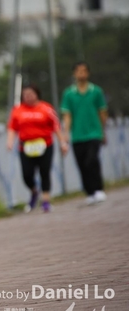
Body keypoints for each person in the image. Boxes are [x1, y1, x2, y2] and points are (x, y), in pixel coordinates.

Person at [7, 84, 68, 213]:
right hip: (26, 147)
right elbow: (12, 127)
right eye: (25, 95)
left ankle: (45, 201)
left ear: (37, 94)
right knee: (27, 175)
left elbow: (56, 126)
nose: (28, 97)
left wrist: (62, 142)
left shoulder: (46, 108)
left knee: (44, 172)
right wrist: (10, 142)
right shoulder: (18, 110)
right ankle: (34, 191)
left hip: (45, 145)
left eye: (30, 94)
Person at [60, 62, 108, 205]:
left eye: (84, 71)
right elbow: (67, 115)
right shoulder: (69, 93)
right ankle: (89, 192)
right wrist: (66, 133)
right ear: (74, 74)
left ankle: (98, 189)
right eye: (79, 71)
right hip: (77, 135)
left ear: (88, 73)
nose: (81, 74)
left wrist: (103, 131)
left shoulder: (96, 91)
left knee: (91, 160)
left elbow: (102, 112)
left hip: (94, 133)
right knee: (81, 164)